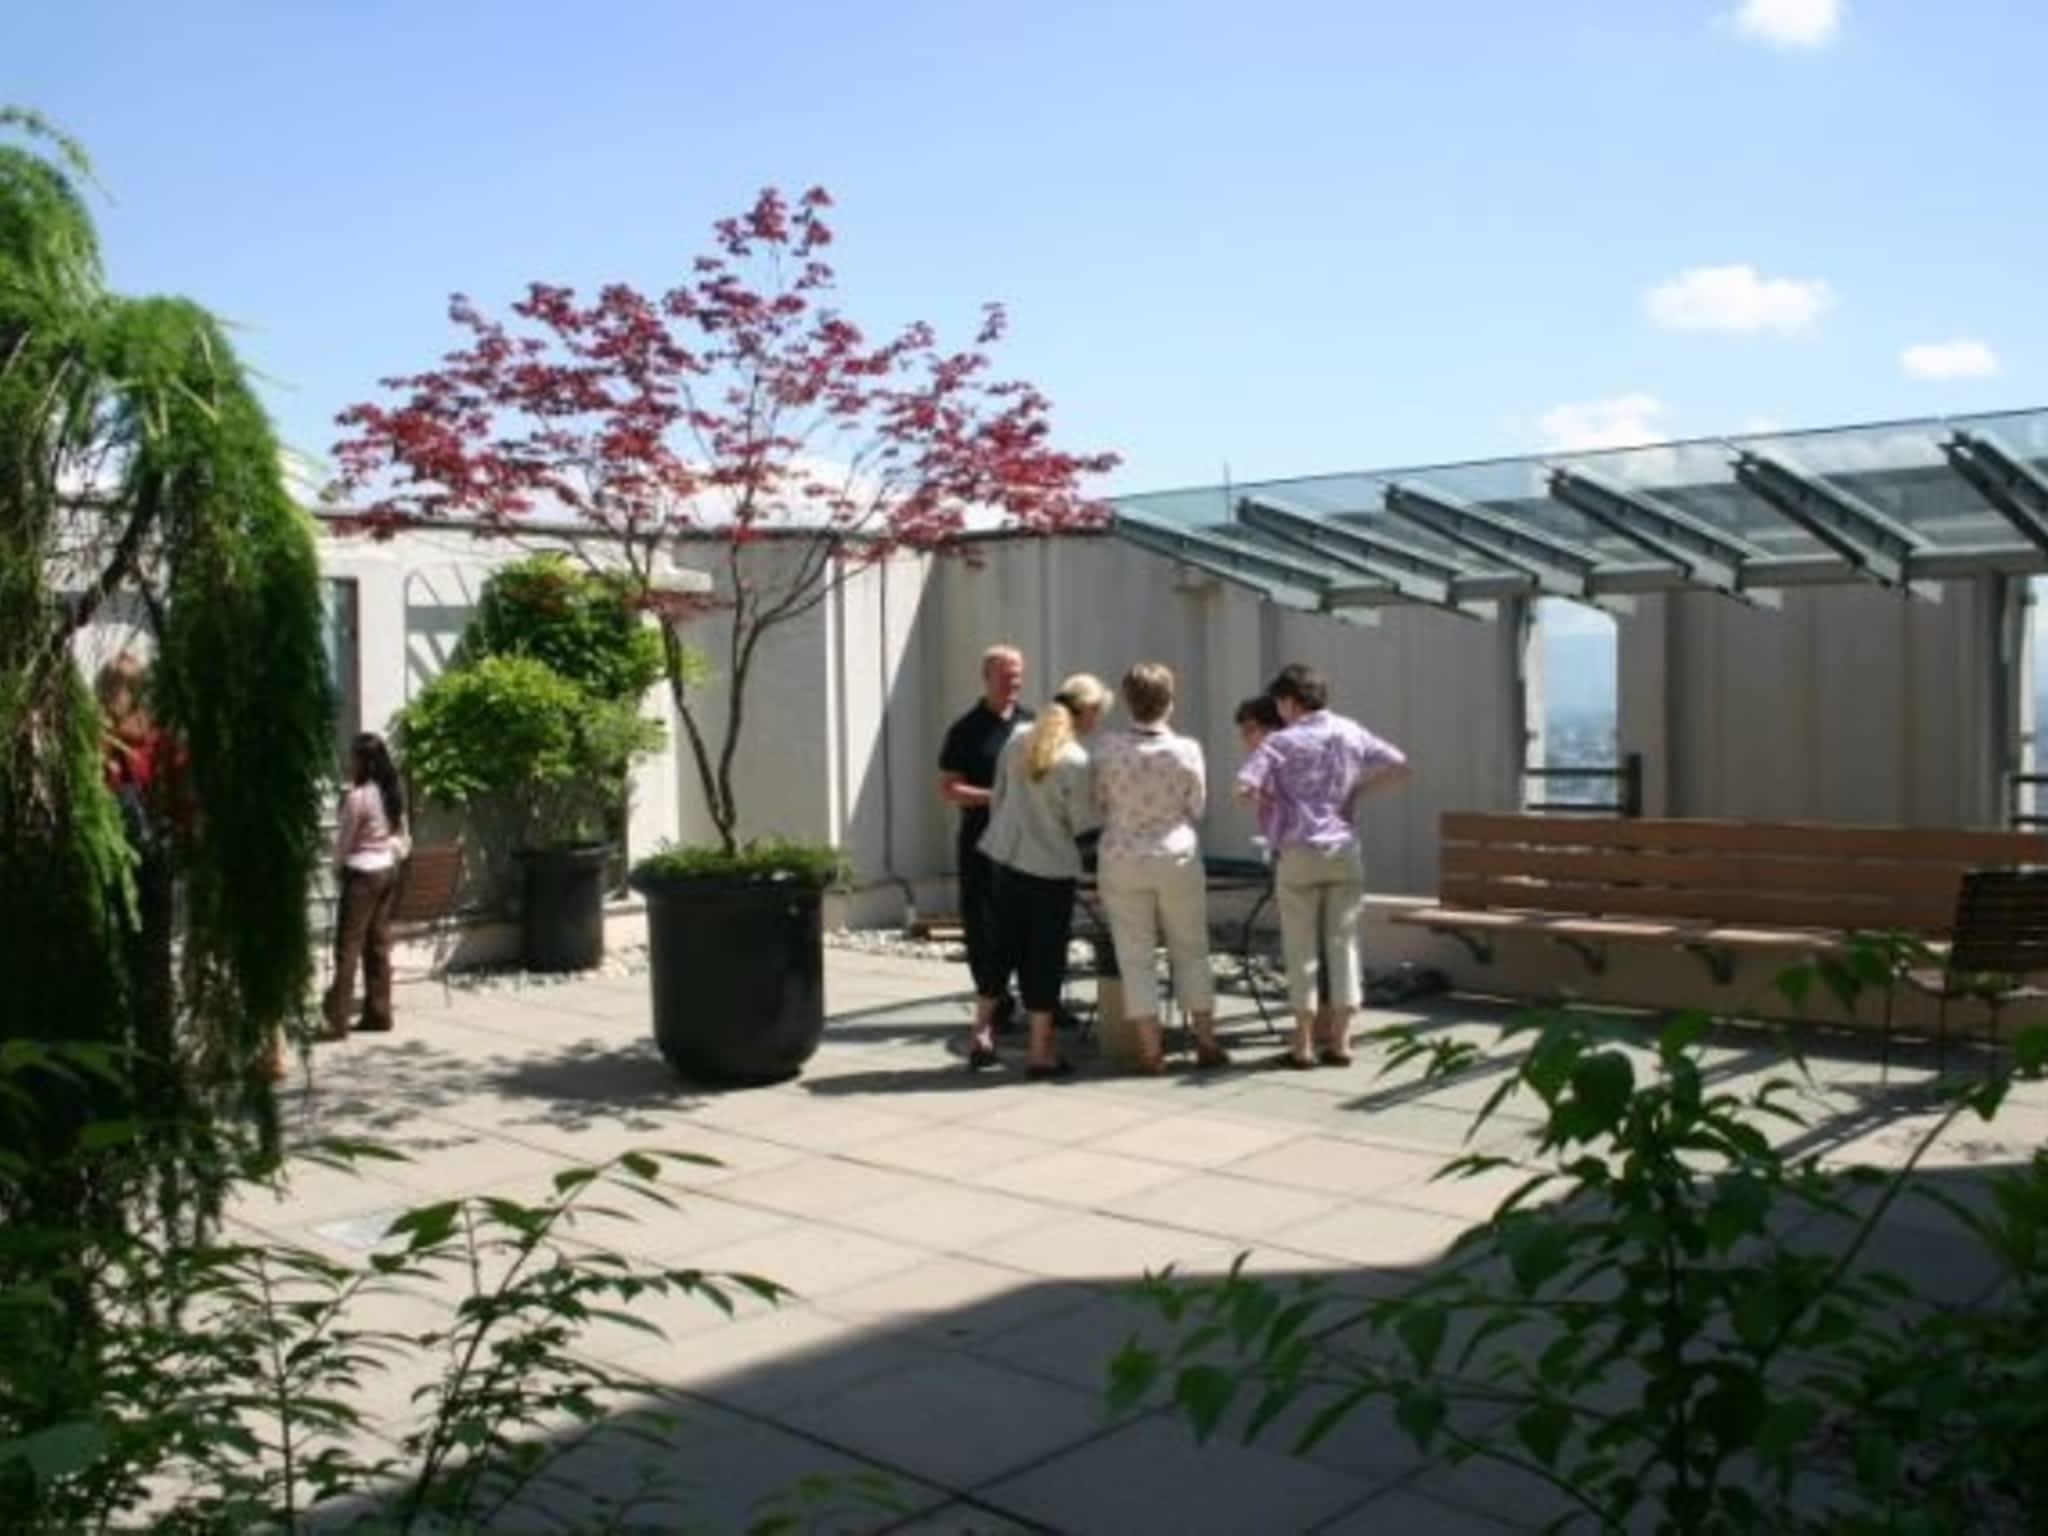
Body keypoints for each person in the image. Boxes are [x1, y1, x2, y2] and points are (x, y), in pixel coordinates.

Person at [1236, 664, 1409, 1069]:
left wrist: (1272, 805)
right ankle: (1343, 1042)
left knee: (1301, 950)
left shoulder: (1280, 742)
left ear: (1290, 701)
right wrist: (1356, 792)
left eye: (1280, 702)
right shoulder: (1350, 731)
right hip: (1344, 849)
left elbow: (1244, 789)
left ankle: (1303, 1044)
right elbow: (1400, 765)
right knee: (1343, 944)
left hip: (1298, 853)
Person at [975, 673, 1112, 1080]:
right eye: (1097, 714)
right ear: (1085, 711)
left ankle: (981, 1033)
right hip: (1050, 868)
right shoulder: (1075, 760)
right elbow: (1084, 826)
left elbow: (997, 796)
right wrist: (1098, 873)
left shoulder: (1017, 737)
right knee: (1044, 956)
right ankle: (1039, 1051)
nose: (1097, 723)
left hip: (1005, 856)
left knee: (1001, 948)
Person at [1095, 663, 1228, 1073]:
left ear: (1129, 702)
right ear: (1169, 701)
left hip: (1122, 856)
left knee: (1135, 954)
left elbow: (1099, 803)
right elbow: (1198, 807)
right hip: (1176, 855)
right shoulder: (1187, 749)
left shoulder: (1108, 748)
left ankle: (1150, 1049)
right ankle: (1205, 1039)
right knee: (1190, 947)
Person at [938, 645, 1030, 1043]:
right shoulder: (966, 729)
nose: (1014, 682)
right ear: (987, 677)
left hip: (1027, 841)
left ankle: (1042, 1002)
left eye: (1018, 675)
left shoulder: (1032, 724)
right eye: (1006, 675)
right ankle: (995, 1004)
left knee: (1027, 920)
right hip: (980, 841)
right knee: (983, 925)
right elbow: (949, 788)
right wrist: (995, 798)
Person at [324, 731, 410, 1039]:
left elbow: (344, 841)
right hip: (386, 870)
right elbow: (399, 835)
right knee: (377, 944)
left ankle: (336, 1020)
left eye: (353, 756)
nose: (349, 762)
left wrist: (336, 867)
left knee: (347, 947)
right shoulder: (390, 792)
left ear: (364, 761)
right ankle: (379, 1013)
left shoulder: (357, 797)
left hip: (361, 874)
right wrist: (387, 850)